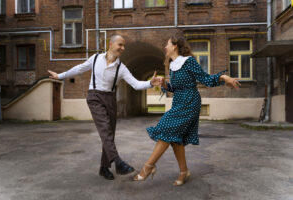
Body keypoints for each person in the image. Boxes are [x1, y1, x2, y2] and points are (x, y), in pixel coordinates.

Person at [48, 35, 162, 180]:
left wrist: (150, 83)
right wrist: (60, 76)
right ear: (111, 44)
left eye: (124, 46)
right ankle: (118, 162)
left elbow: (135, 84)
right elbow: (79, 69)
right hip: (94, 97)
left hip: (110, 99)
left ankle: (104, 167)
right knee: (104, 129)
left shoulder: (121, 68)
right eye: (120, 45)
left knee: (109, 133)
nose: (123, 48)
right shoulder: (95, 59)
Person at [133, 35, 241, 186]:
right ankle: (184, 172)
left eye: (167, 44)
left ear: (175, 46)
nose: (165, 47)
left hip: (190, 101)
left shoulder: (188, 61)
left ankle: (148, 167)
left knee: (166, 128)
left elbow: (206, 79)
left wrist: (223, 77)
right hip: (178, 101)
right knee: (175, 139)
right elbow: (175, 88)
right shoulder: (172, 65)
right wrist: (164, 84)